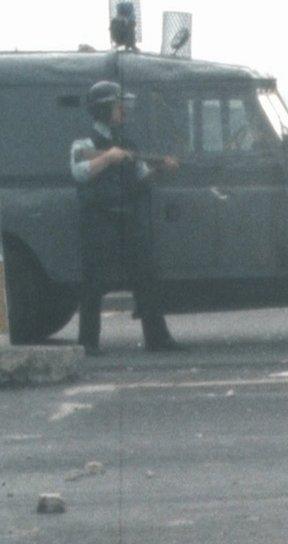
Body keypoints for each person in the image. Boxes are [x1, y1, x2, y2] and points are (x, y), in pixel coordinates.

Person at [70, 80, 181, 356]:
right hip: (99, 221)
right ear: (104, 109)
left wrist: (161, 169)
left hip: (127, 220)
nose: (123, 112)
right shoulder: (84, 142)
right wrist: (108, 157)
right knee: (93, 283)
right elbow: (79, 171)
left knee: (146, 275)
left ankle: (157, 338)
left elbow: (141, 176)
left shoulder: (126, 143)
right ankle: (87, 343)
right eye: (118, 107)